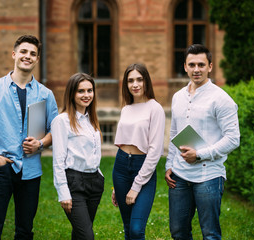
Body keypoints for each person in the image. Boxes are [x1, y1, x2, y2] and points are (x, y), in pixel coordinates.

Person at [0, 35, 58, 240]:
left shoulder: (46, 94)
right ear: (14, 54)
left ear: (37, 59)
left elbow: (56, 130)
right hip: (1, 167)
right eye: (24, 52)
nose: (28, 56)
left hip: (31, 171)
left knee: (25, 231)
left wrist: (41, 144)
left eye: (33, 54)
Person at [165, 44, 240, 240]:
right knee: (178, 232)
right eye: (192, 64)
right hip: (179, 175)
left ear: (210, 66)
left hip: (209, 175)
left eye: (201, 64)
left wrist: (199, 154)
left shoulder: (221, 99)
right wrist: (169, 164)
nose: (196, 69)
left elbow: (233, 139)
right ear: (185, 67)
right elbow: (175, 132)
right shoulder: (177, 97)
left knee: (210, 234)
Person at [112, 63, 165, 240]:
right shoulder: (126, 109)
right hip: (120, 167)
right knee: (127, 227)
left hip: (143, 168)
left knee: (136, 229)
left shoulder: (154, 108)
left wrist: (136, 186)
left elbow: (155, 151)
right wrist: (116, 188)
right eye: (130, 80)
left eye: (139, 79)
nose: (135, 84)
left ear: (146, 81)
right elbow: (122, 143)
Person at [51, 73, 104, 240]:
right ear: (72, 94)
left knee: (80, 233)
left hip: (94, 183)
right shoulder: (62, 121)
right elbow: (58, 160)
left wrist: (99, 174)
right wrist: (63, 193)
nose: (86, 95)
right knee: (87, 236)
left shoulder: (91, 119)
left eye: (90, 90)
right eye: (81, 91)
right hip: (75, 183)